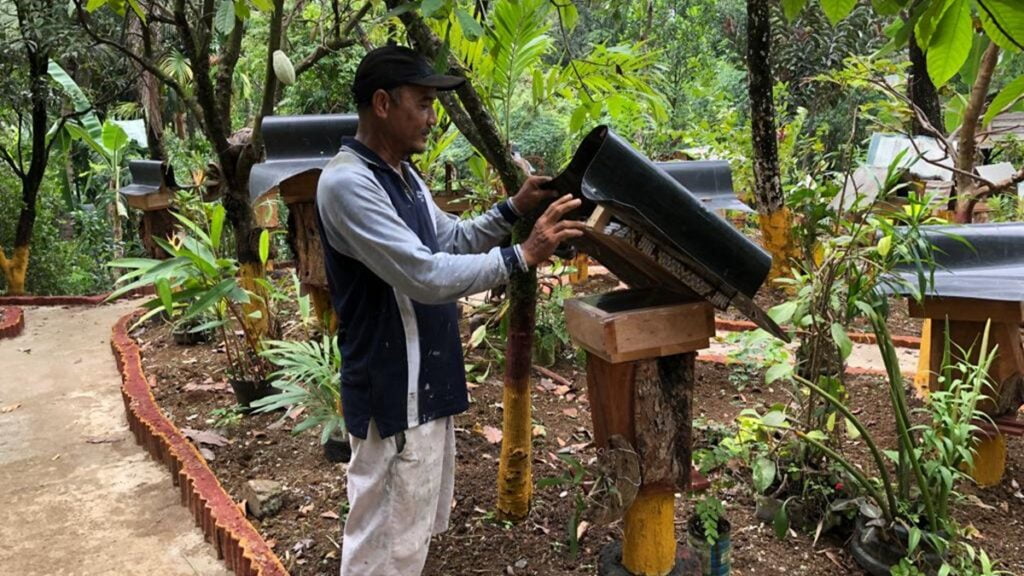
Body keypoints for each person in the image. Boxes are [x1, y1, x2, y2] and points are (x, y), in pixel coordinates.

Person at [315, 45, 585, 576]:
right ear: (383, 104)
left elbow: (450, 240)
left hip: (425, 388)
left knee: (406, 539)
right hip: (395, 390)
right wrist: (523, 255)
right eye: (423, 103)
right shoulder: (349, 183)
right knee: (384, 545)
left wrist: (513, 209)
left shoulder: (401, 176)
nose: (432, 118)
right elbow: (425, 275)